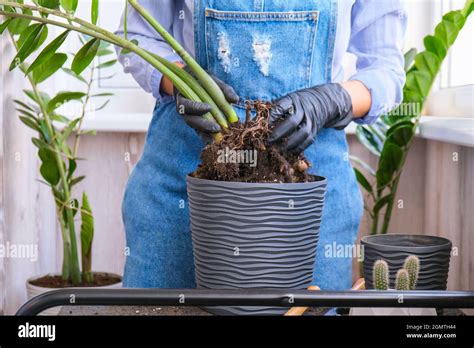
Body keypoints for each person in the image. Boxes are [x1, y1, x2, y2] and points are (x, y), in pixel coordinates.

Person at [116, 0, 406, 290]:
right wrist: (178, 79)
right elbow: (135, 37)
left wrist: (334, 100)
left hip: (309, 197)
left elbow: (385, 68)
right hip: (182, 185)